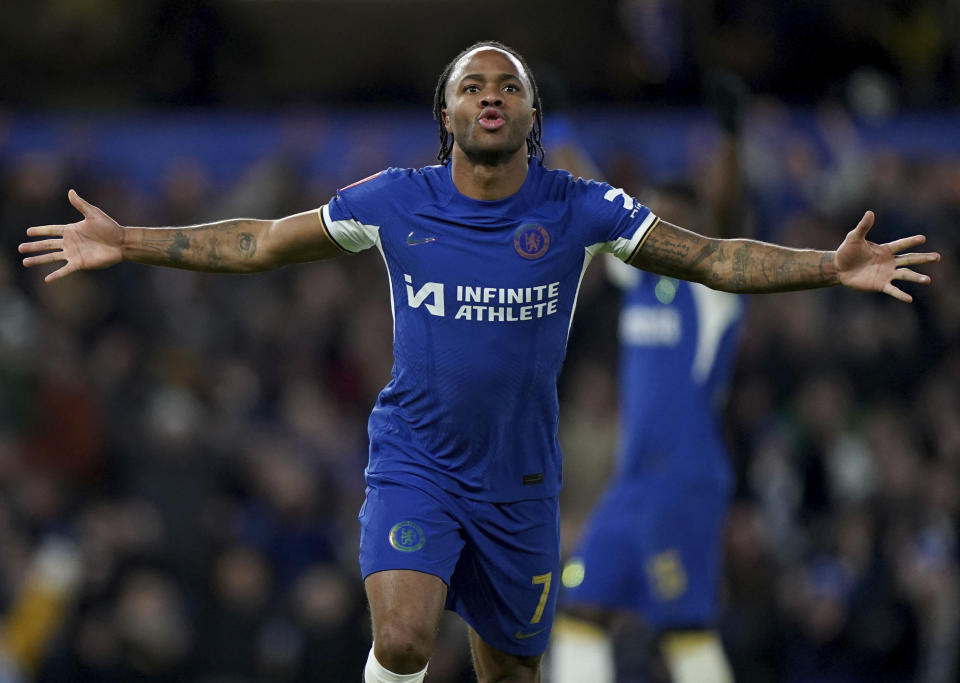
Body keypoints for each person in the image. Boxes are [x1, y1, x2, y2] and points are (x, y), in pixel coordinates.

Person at [18, 41, 938, 683]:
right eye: (471, 84)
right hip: (416, 460)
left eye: (508, 84)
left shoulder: (580, 207)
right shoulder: (394, 200)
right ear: (446, 113)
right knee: (407, 637)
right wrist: (128, 238)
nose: (490, 93)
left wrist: (829, 265)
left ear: (533, 116)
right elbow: (260, 240)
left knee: (509, 669)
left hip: (521, 483)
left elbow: (708, 257)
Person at [550, 74, 750, 683]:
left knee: (685, 630)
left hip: (685, 477)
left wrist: (730, 138)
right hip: (631, 483)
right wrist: (551, 124)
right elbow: (590, 198)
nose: (656, 230)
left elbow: (724, 208)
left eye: (672, 220)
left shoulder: (712, 287)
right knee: (579, 614)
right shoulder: (636, 280)